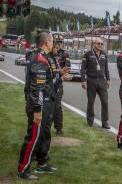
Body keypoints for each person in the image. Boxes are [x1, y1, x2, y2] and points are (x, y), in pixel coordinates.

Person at [18, 30, 69, 180]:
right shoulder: (40, 58)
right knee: (33, 137)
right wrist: (37, 110)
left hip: (46, 102)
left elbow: (46, 82)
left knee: (43, 135)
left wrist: (59, 74)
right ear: (46, 42)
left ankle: (41, 164)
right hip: (41, 105)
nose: (54, 43)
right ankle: (23, 169)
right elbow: (36, 89)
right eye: (52, 40)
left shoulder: (43, 57)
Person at [80, 38, 110, 129]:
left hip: (102, 81)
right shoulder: (88, 54)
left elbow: (106, 68)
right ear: (94, 44)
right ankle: (90, 121)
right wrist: (83, 80)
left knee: (105, 102)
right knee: (91, 102)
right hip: (91, 80)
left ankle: (105, 123)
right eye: (98, 43)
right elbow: (82, 69)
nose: (100, 45)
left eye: (101, 43)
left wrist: (108, 79)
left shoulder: (104, 54)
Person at [52, 42, 71, 135]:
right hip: (50, 84)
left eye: (59, 43)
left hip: (58, 83)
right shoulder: (48, 56)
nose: (58, 46)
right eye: (56, 44)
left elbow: (67, 65)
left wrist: (63, 73)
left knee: (58, 106)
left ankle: (58, 128)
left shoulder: (64, 53)